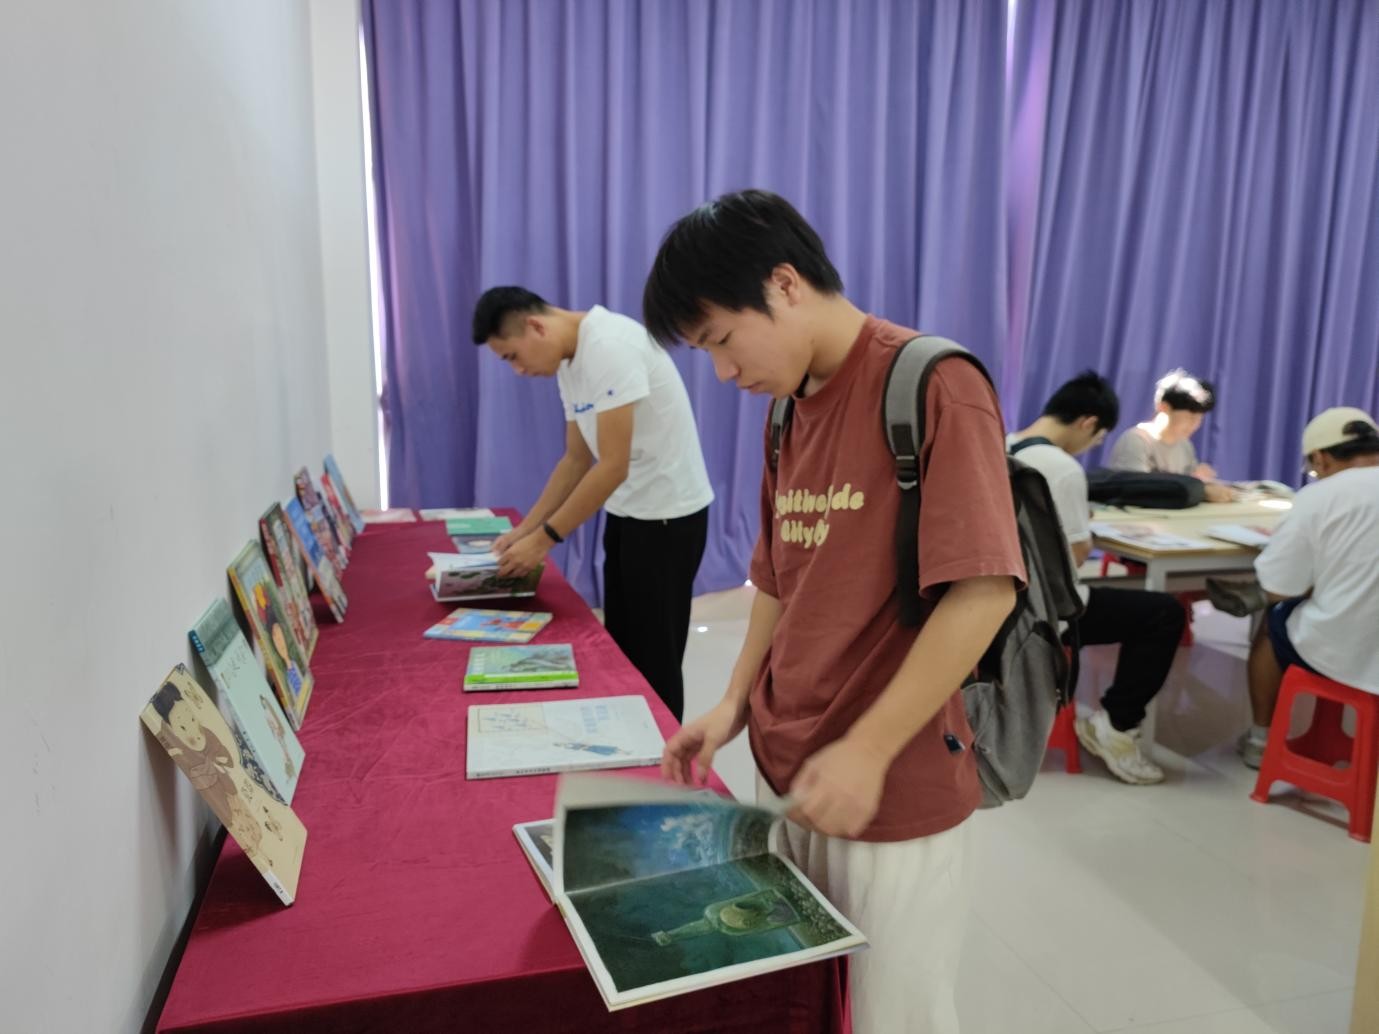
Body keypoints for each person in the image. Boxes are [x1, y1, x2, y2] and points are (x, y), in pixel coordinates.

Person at [644, 189, 1025, 1034]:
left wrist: (868, 750)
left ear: (783, 284)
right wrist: (734, 705)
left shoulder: (932, 384)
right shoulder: (785, 412)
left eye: (720, 340)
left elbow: (984, 592)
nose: (723, 373)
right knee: (808, 1001)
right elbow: (778, 580)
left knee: (892, 1014)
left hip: (885, 784)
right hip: (791, 769)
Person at [471, 287, 714, 721]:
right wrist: (525, 530)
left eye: (512, 356)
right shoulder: (570, 361)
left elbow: (612, 466)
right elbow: (576, 459)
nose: (519, 370)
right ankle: (632, 741)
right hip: (627, 511)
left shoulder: (610, 346)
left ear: (536, 326)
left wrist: (543, 541)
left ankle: (665, 752)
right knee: (621, 649)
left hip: (667, 516)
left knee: (654, 658)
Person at [1008, 372, 1186, 785]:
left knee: (1133, 603)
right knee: (1164, 613)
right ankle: (1117, 725)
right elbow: (1074, 554)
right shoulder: (1062, 469)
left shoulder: (1003, 446)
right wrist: (1081, 528)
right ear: (1087, 422)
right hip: (1046, 611)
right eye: (1096, 438)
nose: (1091, 447)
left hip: (1004, 598)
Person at [1235, 407, 1379, 768]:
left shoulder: (1319, 497)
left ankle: (1260, 740)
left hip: (1345, 645)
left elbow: (1280, 588)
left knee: (1273, 620)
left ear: (1320, 458)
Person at [1107, 368, 1235, 502]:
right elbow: (1136, 490)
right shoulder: (1136, 441)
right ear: (1164, 407)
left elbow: (1189, 482)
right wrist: (1201, 491)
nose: (1195, 425)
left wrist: (1200, 480)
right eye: (1190, 417)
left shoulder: (1184, 445)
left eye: (1200, 418)